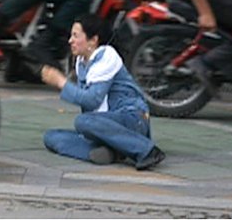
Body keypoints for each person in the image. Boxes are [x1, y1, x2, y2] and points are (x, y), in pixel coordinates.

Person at [41, 14, 166, 170]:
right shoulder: (81, 62)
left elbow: (92, 100)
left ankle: (147, 151)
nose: (70, 41)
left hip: (132, 119)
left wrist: (61, 82)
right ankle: (113, 151)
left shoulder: (107, 56)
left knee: (83, 121)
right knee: (51, 137)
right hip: (105, 123)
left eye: (75, 36)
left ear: (93, 40)